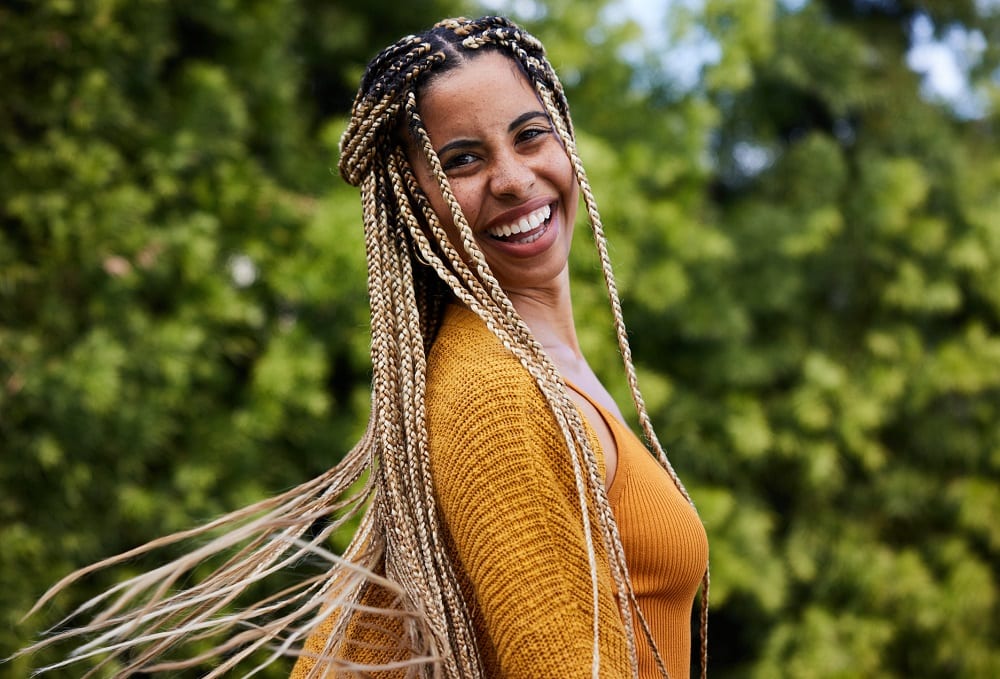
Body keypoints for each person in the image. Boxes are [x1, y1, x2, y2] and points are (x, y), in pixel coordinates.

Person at [19, 15, 708, 679]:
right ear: (412, 202)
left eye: (530, 135)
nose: (513, 177)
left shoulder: (539, 367)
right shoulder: (496, 394)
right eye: (462, 160)